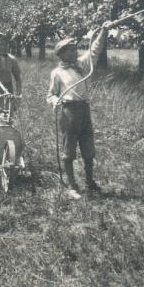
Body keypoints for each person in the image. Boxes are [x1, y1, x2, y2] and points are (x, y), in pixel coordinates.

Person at [46, 22, 112, 193]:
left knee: (88, 147)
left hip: (84, 110)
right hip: (68, 112)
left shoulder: (82, 64)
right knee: (69, 149)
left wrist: (103, 31)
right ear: (61, 54)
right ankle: (72, 185)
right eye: (71, 50)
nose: (75, 52)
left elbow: (95, 49)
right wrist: (55, 101)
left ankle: (90, 182)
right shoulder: (57, 73)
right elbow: (51, 94)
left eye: (76, 49)